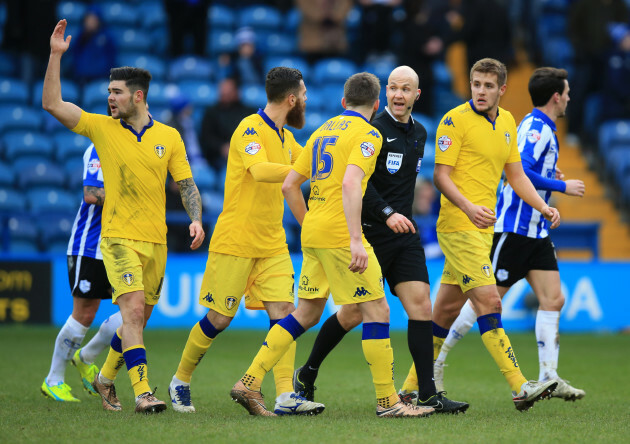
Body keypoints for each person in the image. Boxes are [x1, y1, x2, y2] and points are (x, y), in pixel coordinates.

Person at [230, 72, 434, 418]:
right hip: (341, 234)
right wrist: (355, 239)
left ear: (342, 102)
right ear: (375, 104)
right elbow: (353, 184)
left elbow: (290, 185)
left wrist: (308, 222)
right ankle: (389, 402)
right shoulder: (369, 134)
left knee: (306, 313)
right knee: (377, 311)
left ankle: (250, 380)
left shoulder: (322, 130)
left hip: (314, 232)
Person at [42, 19, 205, 414]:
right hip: (116, 239)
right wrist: (55, 56)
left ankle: (104, 379)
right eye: (108, 91)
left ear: (138, 96)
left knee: (137, 320)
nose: (110, 98)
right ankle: (144, 392)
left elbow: (186, 184)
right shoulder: (102, 129)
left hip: (157, 242)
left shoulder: (169, 136)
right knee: (130, 311)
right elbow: (52, 104)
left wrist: (197, 218)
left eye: (116, 92)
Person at [291, 66, 468, 414]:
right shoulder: (372, 130)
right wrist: (388, 213)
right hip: (371, 234)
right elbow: (358, 185)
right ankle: (307, 372)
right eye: (393, 88)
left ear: (417, 95)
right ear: (384, 92)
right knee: (353, 313)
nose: (399, 95)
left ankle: (428, 393)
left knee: (421, 305)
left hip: (404, 235)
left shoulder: (420, 132)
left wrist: (400, 216)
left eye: (406, 89)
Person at [167, 67, 324, 416]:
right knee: (219, 319)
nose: (307, 100)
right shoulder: (249, 128)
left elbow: (309, 163)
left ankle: (285, 395)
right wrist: (303, 171)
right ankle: (180, 380)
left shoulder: (286, 136)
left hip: (272, 243)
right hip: (236, 240)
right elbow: (260, 171)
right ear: (292, 99)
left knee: (285, 315)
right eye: (305, 95)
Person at [433, 67, 586, 402]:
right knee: (482, 302)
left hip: (535, 230)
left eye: (489, 85)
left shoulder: (510, 123)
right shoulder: (533, 127)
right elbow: (521, 172)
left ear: (501, 89)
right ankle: (452, 369)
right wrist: (561, 185)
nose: (481, 90)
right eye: (476, 84)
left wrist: (547, 204)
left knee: (552, 299)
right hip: (510, 228)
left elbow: (518, 171)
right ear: (556, 95)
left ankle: (549, 376)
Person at [41, 143, 123, 402]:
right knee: (84, 314)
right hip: (90, 246)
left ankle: (85, 357)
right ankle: (53, 379)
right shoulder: (101, 145)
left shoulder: (138, 142)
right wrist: (134, 195)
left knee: (137, 311)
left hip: (123, 246)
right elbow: (91, 193)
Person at [200, 77, 256, 170]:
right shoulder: (211, 112)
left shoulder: (249, 112)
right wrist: (221, 147)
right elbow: (206, 137)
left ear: (236, 92)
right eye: (223, 93)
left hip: (245, 153)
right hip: (218, 157)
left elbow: (254, 135)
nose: (225, 95)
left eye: (228, 93)